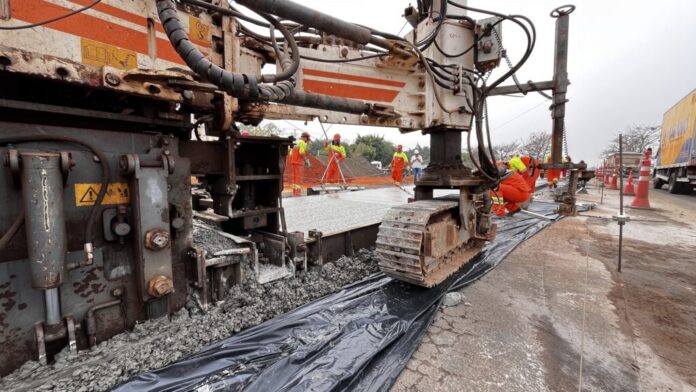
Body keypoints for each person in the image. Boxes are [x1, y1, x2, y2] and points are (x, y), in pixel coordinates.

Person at [288, 132, 311, 197]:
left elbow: (290, 153)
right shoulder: (302, 143)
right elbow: (301, 152)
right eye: (307, 139)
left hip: (293, 162)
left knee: (295, 179)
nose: (307, 141)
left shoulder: (296, 142)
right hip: (299, 163)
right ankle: (298, 194)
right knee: (298, 180)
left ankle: (294, 193)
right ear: (305, 138)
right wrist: (306, 161)